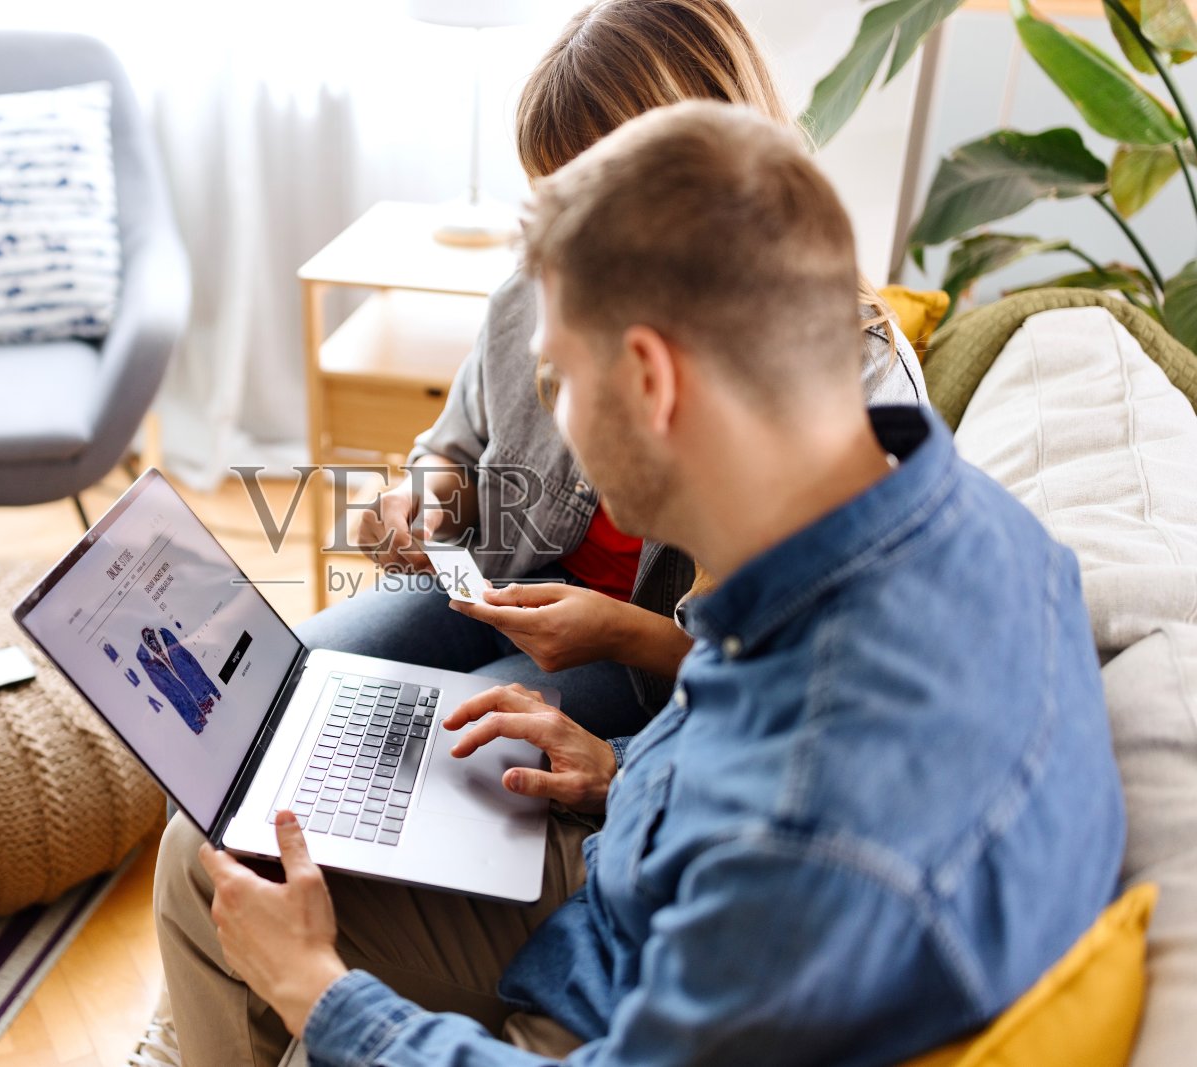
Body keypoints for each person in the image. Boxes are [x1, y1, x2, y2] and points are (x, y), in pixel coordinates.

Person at [154, 101, 1125, 1066]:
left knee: (231, 890)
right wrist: (620, 770)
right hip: (630, 874)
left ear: (651, 381)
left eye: (557, 380)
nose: (551, 423)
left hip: (605, 985)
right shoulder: (957, 524)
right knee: (220, 855)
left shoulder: (805, 830)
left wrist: (319, 992)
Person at [296, 0, 927, 743]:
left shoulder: (849, 379)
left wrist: (623, 632)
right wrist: (422, 499)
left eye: (593, 210)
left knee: (429, 739)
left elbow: (803, 667)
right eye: (553, 200)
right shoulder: (543, 285)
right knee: (294, 678)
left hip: (650, 663)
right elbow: (458, 448)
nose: (565, 249)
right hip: (495, 586)